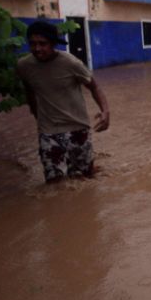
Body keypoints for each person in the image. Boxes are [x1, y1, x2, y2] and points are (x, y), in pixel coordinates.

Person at [16, 20, 110, 183]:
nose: (37, 49)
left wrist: (105, 111)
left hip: (77, 128)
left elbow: (94, 87)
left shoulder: (71, 63)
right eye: (33, 44)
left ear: (53, 44)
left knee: (84, 179)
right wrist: (37, 116)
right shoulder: (24, 66)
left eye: (42, 44)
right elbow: (29, 92)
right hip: (48, 131)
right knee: (54, 183)